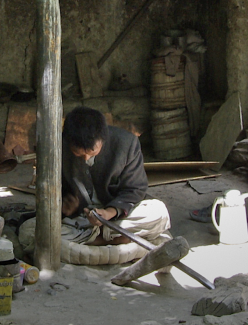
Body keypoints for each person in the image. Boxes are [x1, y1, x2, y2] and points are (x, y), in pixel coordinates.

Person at [59, 106, 170, 249]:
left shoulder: (127, 143)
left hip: (116, 218)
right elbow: (55, 190)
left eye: (92, 152)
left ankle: (94, 240)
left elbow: (135, 189)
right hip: (80, 220)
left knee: (158, 212)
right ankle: (110, 239)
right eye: (78, 153)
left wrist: (108, 212)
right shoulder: (59, 147)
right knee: (30, 229)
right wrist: (66, 205)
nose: (86, 158)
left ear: (103, 138)